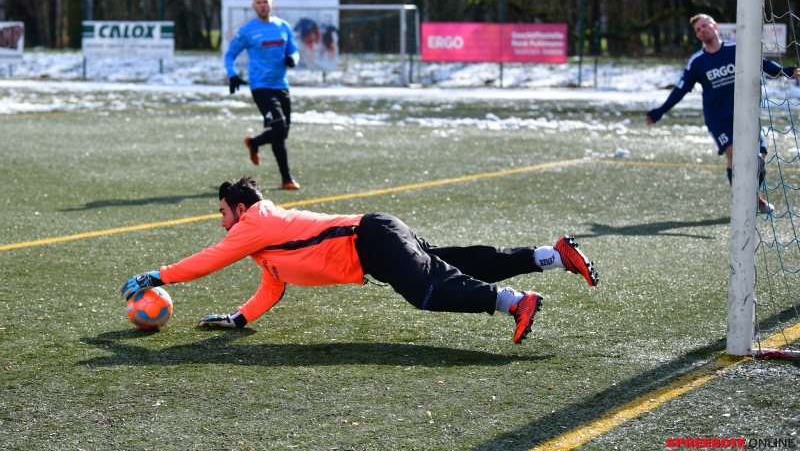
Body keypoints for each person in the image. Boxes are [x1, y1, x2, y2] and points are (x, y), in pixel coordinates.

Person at [122, 176, 599, 344]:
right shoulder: (261, 243)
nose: (221, 221)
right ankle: (550, 256)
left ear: (241, 209)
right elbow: (274, 284)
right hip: (375, 236)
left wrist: (157, 275)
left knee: (427, 289)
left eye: (223, 212)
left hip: (370, 239)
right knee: (457, 264)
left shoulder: (255, 224)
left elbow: (208, 260)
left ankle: (513, 302)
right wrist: (239, 317)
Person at [645, 14, 798, 214]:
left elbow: (761, 63)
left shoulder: (735, 49)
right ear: (698, 36)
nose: (702, 31)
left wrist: (784, 72)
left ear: (714, 26)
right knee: (734, 153)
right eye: (698, 30)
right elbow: (680, 90)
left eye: (704, 26)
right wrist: (659, 112)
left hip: (746, 114)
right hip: (718, 119)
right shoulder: (697, 62)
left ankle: (754, 197)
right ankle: (741, 200)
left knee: (760, 156)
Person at [225, 0, 301, 191]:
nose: (262, 5)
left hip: (281, 85)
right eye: (258, 2)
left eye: (265, 1)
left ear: (271, 3)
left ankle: (255, 142)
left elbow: (293, 50)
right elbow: (230, 54)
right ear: (253, 6)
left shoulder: (282, 26)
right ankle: (286, 178)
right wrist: (232, 74)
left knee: (281, 132)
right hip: (260, 86)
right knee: (279, 126)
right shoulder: (248, 30)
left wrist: (293, 58)